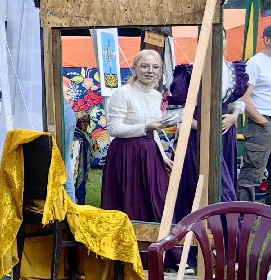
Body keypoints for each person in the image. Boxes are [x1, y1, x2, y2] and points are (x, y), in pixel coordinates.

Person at [167, 48, 243, 221]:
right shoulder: (189, 71)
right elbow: (178, 111)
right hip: (197, 134)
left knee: (225, 178)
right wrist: (201, 126)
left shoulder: (232, 70)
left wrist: (234, 116)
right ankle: (204, 226)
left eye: (222, 38)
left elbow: (238, 100)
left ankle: (224, 231)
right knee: (204, 181)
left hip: (225, 132)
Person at [102, 49, 171, 220]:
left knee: (157, 198)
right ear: (135, 68)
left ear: (160, 71)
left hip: (149, 153)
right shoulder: (123, 93)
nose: (150, 71)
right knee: (130, 201)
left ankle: (156, 241)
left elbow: (154, 132)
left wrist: (162, 156)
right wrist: (145, 127)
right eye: (145, 66)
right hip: (126, 154)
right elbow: (113, 129)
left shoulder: (156, 96)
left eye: (155, 67)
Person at [237, 25, 271, 201]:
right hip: (262, 122)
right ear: (266, 39)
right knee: (252, 173)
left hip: (265, 122)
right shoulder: (255, 63)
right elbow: (244, 97)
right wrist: (263, 123)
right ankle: (243, 216)